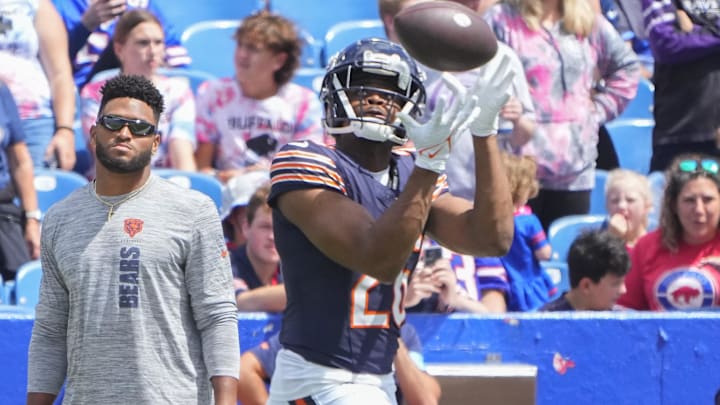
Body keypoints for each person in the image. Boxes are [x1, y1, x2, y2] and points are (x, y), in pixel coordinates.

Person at [266, 38, 514, 404]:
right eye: (364, 85)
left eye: (392, 90)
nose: (379, 98)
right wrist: (429, 167)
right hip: (320, 376)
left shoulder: (413, 171)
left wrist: (484, 132)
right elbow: (376, 258)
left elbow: (491, 239)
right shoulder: (305, 159)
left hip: (376, 377)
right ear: (335, 95)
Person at [26, 75, 239, 404]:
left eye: (140, 127)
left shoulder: (193, 211)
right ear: (94, 133)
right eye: (113, 122)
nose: (124, 133)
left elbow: (217, 316)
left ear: (155, 142)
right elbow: (51, 330)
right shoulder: (59, 218)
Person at [485, 0, 640, 231]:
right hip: (518, 167)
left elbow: (627, 67)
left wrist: (598, 111)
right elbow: (477, 74)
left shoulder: (586, 20)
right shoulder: (500, 19)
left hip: (574, 169)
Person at [379, 0, 537, 200]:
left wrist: (516, 119)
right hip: (430, 188)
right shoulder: (413, 59)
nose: (467, 5)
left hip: (490, 189)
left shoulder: (501, 57)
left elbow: (525, 135)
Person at [195, 11, 325, 184]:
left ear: (279, 60)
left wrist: (260, 174)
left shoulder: (303, 103)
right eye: (240, 45)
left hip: (280, 192)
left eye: (253, 49)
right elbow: (201, 169)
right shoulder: (214, 94)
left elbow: (308, 166)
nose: (242, 55)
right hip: (228, 193)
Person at [80, 9, 196, 176]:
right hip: (114, 186)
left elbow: (182, 153)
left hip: (165, 187)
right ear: (119, 49)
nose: (153, 51)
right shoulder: (96, 93)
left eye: (158, 42)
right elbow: (104, 151)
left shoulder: (178, 92)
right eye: (143, 43)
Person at [238, 324, 442, 405]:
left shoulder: (404, 334)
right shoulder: (316, 325)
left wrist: (391, 338)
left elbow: (426, 400)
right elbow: (243, 370)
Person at [617, 155, 720, 311]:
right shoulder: (646, 247)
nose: (699, 210)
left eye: (707, 200)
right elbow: (626, 312)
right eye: (689, 200)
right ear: (673, 206)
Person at [641, 0, 720, 172]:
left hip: (716, 129)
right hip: (679, 130)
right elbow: (666, 45)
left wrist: (694, 32)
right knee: (669, 197)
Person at [0, 0, 76, 170]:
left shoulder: (34, 4)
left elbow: (60, 73)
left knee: (36, 192)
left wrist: (65, 129)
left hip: (33, 120)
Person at [52, 0, 189, 88]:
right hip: (81, 95)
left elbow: (178, 64)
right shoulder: (60, 6)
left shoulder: (142, 5)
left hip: (144, 89)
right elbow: (47, 64)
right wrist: (85, 26)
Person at [498, 152, 555, 311]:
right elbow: (544, 254)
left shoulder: (493, 220)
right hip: (529, 284)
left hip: (503, 284)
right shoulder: (529, 222)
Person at [0, 81, 40, 281]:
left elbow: (20, 160)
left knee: (23, 281)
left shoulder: (1, 91)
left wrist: (32, 220)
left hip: (3, 213)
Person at [405, 242, 509, 313]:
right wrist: (405, 300)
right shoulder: (395, 240)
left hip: (469, 339)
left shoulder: (479, 244)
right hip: (406, 338)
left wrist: (456, 300)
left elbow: (496, 318)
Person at [541, 229, 629, 311]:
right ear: (586, 286)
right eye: (615, 283)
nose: (623, 290)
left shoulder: (624, 320)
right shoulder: (545, 323)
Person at [231, 182, 285, 313]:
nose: (272, 236)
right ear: (246, 228)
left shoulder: (291, 267)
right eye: (265, 227)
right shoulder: (225, 266)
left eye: (281, 229)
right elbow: (238, 302)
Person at [221, 169, 271, 250]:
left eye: (273, 207)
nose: (266, 215)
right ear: (232, 216)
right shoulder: (218, 258)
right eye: (253, 206)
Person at [604, 168, 653, 249]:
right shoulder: (597, 245)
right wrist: (612, 240)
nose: (621, 206)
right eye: (614, 201)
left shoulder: (656, 245)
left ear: (647, 206)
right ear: (606, 206)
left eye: (630, 200)